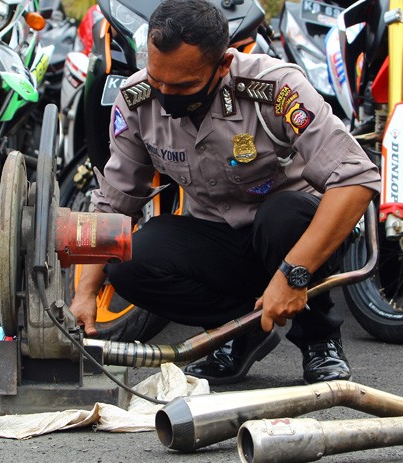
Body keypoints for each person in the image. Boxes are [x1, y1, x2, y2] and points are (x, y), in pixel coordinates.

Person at [69, 0, 381, 385]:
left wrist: (293, 273)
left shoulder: (275, 87)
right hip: (218, 238)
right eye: (156, 80)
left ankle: (319, 340)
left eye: (182, 85)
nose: (165, 95)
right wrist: (85, 293)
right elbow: (113, 203)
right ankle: (236, 332)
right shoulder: (137, 100)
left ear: (223, 65)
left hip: (294, 237)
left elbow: (356, 179)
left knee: (280, 217)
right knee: (129, 262)